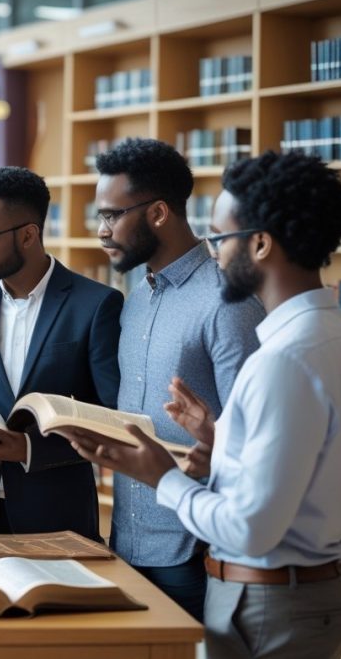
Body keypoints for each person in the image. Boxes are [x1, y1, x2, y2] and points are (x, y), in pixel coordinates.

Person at [72, 151, 341, 658]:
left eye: (221, 238)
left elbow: (251, 527)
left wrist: (163, 477)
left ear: (261, 243)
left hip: (269, 597)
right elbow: (303, 458)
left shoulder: (283, 360)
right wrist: (221, 435)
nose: (217, 254)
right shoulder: (338, 333)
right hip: (308, 587)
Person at [94, 138, 264, 620]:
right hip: (126, 537)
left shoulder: (228, 302)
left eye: (112, 216)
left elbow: (250, 439)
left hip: (193, 552)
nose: (103, 231)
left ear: (159, 213)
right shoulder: (137, 294)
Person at [0, 167, 122, 539]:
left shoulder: (96, 305)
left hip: (59, 512)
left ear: (29, 235)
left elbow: (110, 417)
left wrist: (28, 448)